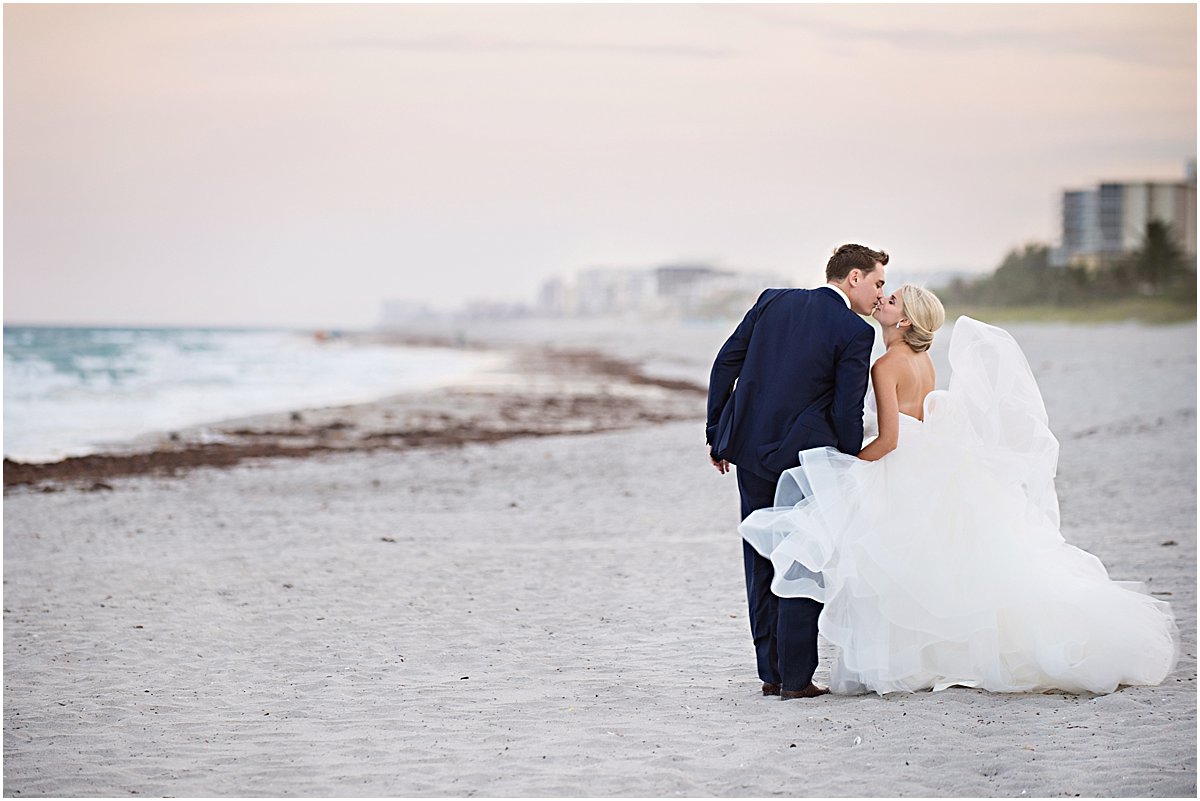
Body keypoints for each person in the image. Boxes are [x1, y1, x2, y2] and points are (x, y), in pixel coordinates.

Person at [739, 285, 1180, 695]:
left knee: (880, 563)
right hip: (923, 463)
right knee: (922, 564)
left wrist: (848, 464)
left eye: (891, 301)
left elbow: (890, 439)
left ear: (905, 321)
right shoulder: (924, 362)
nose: (882, 302)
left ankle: (864, 663)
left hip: (896, 463)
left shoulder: (887, 364)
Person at [706, 243, 888, 700]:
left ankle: (770, 673)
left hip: (748, 450)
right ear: (853, 278)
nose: (878, 293)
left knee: (760, 559)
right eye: (877, 282)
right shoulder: (853, 331)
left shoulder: (774, 300)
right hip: (805, 463)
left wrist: (718, 431)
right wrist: (844, 462)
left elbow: (725, 363)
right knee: (800, 558)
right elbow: (847, 410)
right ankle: (796, 678)